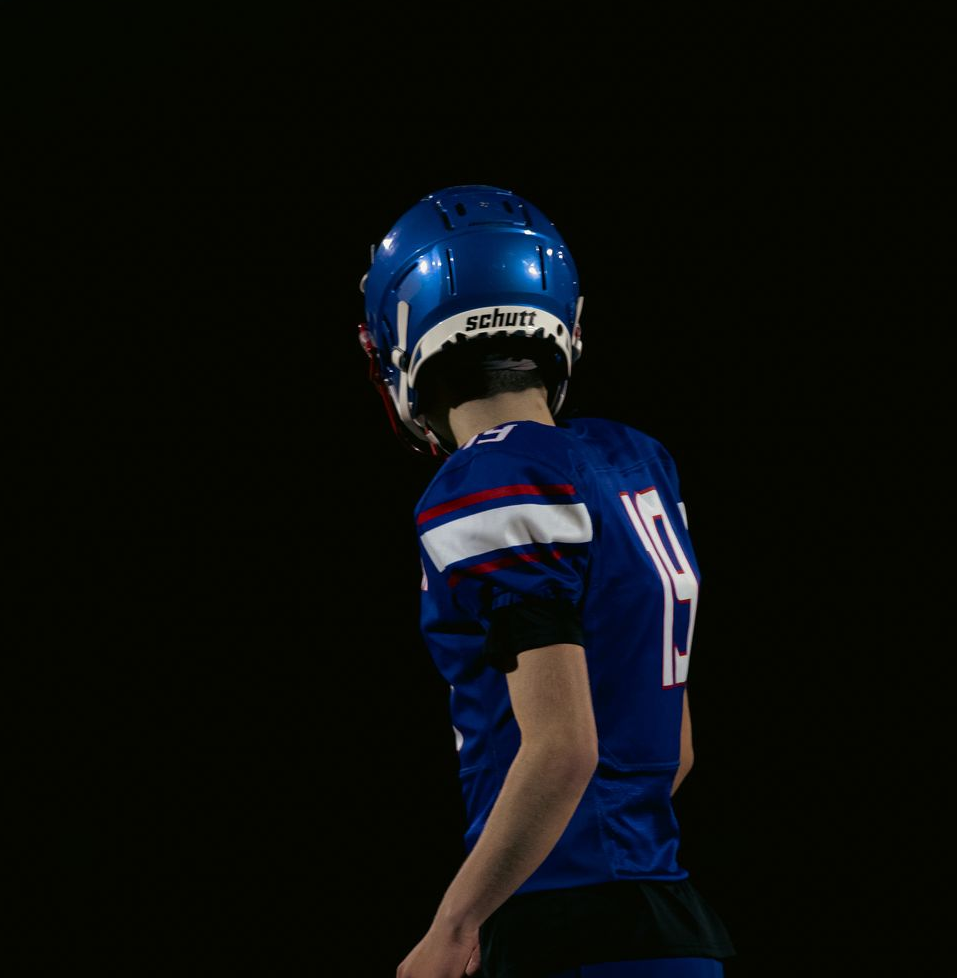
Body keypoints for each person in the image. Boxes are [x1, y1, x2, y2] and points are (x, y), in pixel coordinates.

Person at [358, 185, 735, 978]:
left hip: (564, 926)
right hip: (671, 926)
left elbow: (562, 748)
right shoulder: (633, 461)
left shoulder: (486, 478)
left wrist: (453, 928)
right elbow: (675, 753)